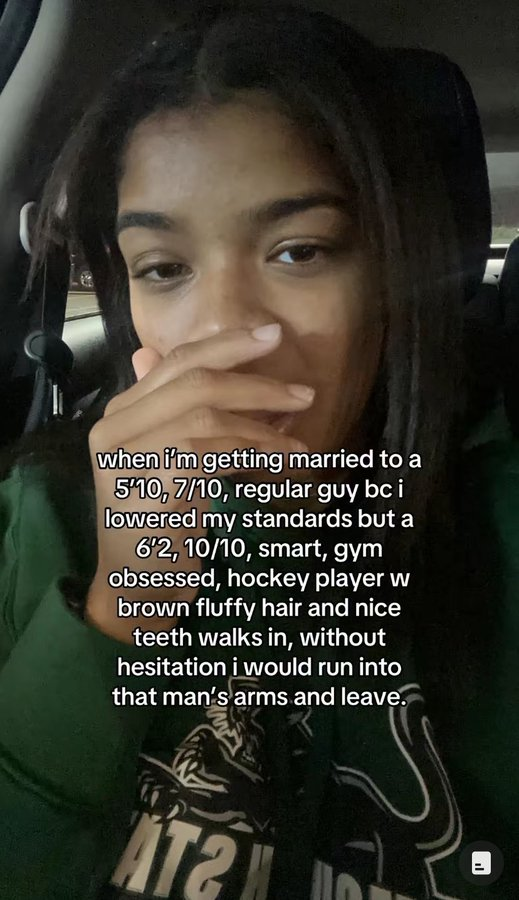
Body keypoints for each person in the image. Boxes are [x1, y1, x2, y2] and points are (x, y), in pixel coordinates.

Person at [0, 3, 517, 898]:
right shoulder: (39, 516)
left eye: (299, 251)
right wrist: (122, 604)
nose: (226, 335)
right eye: (164, 268)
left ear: (395, 271)